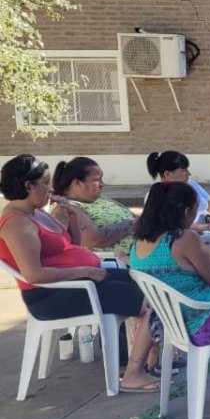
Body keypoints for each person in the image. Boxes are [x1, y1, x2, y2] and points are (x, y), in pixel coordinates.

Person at [0, 154, 158, 393]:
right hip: (53, 295)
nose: (50, 188)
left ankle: (151, 362)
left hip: (81, 281)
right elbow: (34, 275)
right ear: (28, 186)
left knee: (153, 286)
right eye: (45, 182)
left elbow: (70, 244)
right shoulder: (17, 224)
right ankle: (133, 373)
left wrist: (72, 215)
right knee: (152, 301)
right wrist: (84, 271)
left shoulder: (36, 212)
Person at [128, 182, 210, 348]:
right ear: (186, 212)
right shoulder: (183, 238)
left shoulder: (138, 241)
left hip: (172, 323)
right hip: (203, 321)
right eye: (196, 209)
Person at [50, 157, 136, 261]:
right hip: (109, 263)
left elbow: (138, 218)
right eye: (96, 180)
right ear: (77, 183)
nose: (102, 184)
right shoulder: (66, 208)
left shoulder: (101, 199)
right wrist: (131, 225)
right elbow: (94, 239)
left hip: (134, 257)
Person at [147, 150, 210, 228]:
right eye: (183, 170)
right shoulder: (157, 196)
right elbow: (176, 226)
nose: (189, 174)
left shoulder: (191, 183)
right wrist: (206, 227)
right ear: (167, 174)